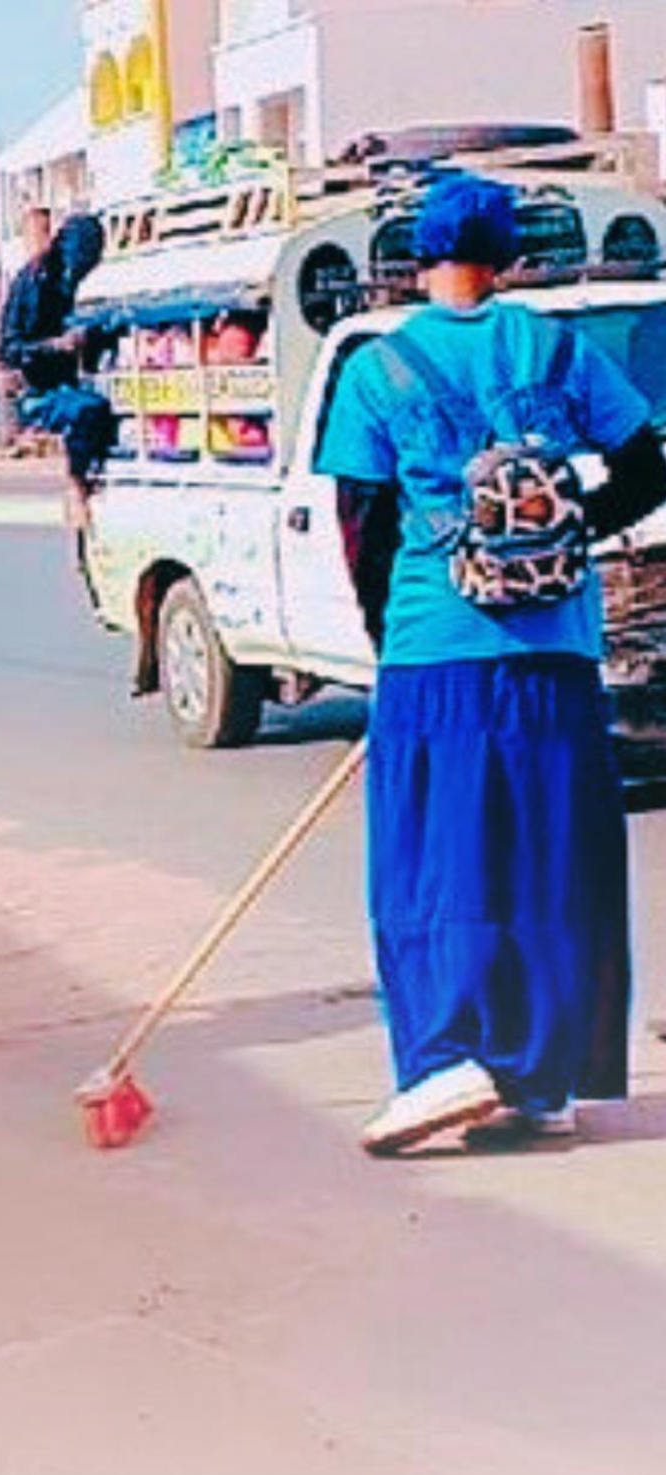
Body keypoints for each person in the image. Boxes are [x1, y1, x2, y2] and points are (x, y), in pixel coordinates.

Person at [320, 175, 666, 1155]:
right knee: (551, 858)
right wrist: (567, 537)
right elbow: (646, 465)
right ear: (510, 258)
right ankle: (539, 1083)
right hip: (557, 651)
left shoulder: (378, 369)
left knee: (433, 860)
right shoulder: (556, 351)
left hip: (436, 651)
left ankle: (446, 1059)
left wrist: (387, 641)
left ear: (415, 259)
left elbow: (362, 527)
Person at [0, 211, 113, 528]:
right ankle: (75, 485)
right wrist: (55, 346)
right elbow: (9, 350)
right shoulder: (32, 283)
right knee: (87, 411)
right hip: (41, 391)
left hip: (84, 381)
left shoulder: (84, 282)